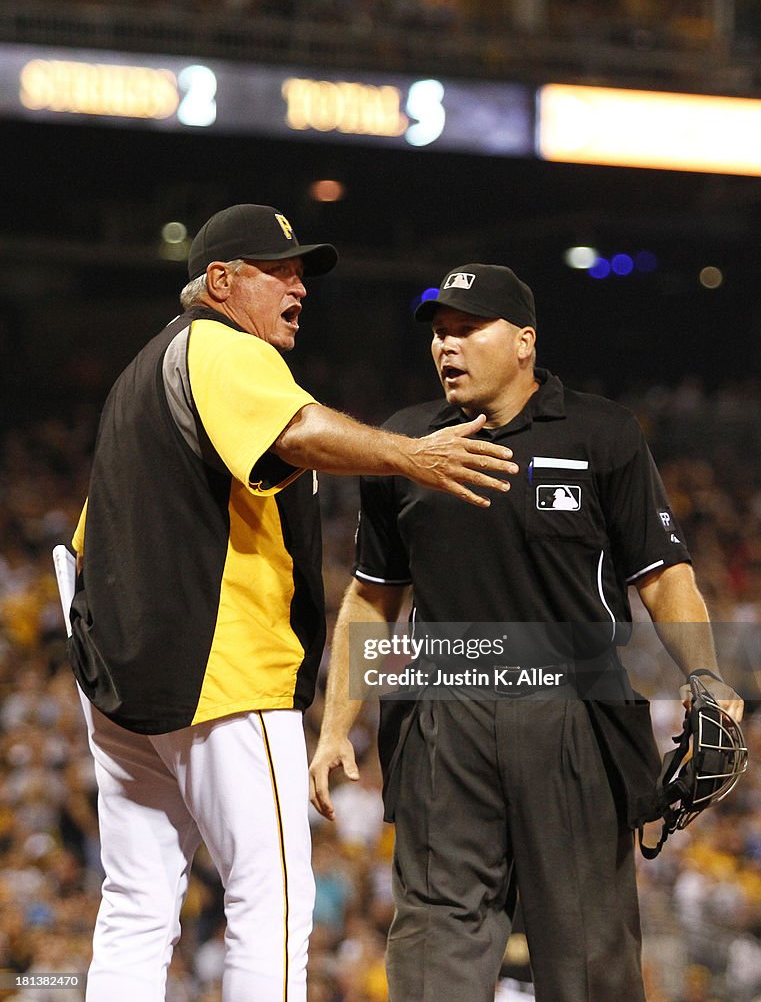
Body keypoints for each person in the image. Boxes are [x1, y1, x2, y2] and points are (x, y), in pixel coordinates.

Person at [67, 212, 517, 1002]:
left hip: (124, 680)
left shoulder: (141, 373)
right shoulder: (218, 345)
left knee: (137, 902)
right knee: (270, 899)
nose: (299, 286)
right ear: (220, 282)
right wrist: (413, 452)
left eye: (301, 272)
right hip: (223, 668)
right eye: (277, 270)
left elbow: (85, 541)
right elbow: (301, 429)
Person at [309, 262, 745, 1002]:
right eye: (438, 334)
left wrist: (703, 673)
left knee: (586, 960)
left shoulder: (600, 432)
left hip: (572, 705)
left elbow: (662, 573)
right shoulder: (405, 443)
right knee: (433, 955)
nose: (445, 347)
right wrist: (333, 728)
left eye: (465, 329)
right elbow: (372, 597)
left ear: (523, 342)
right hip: (444, 708)